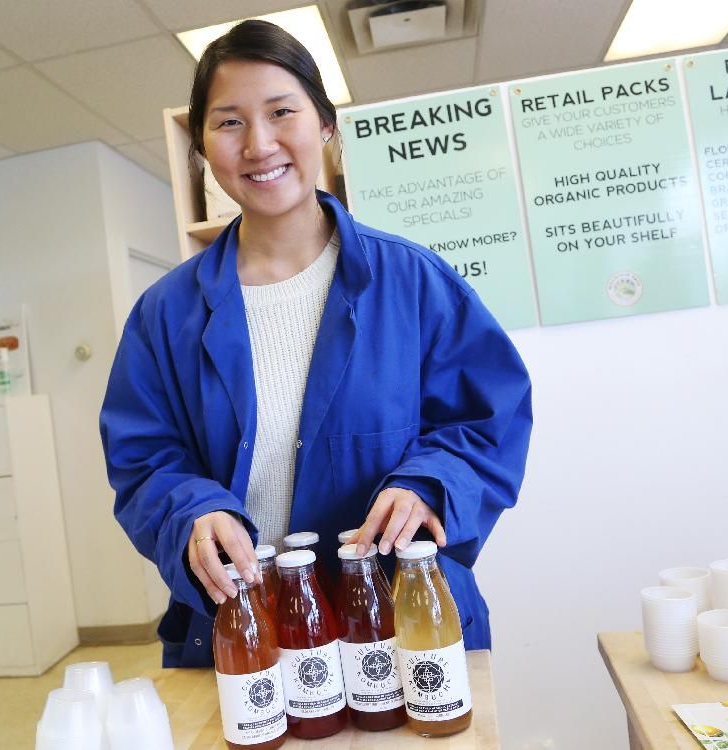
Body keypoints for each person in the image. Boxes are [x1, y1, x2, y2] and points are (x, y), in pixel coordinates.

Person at [99, 19, 532, 668]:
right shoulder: (165, 315)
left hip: (398, 618)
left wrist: (428, 484)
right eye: (229, 122)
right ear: (202, 147)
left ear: (325, 125)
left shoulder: (411, 280)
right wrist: (191, 512)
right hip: (248, 629)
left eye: (282, 112)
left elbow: (487, 419)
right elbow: (143, 462)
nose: (260, 143)